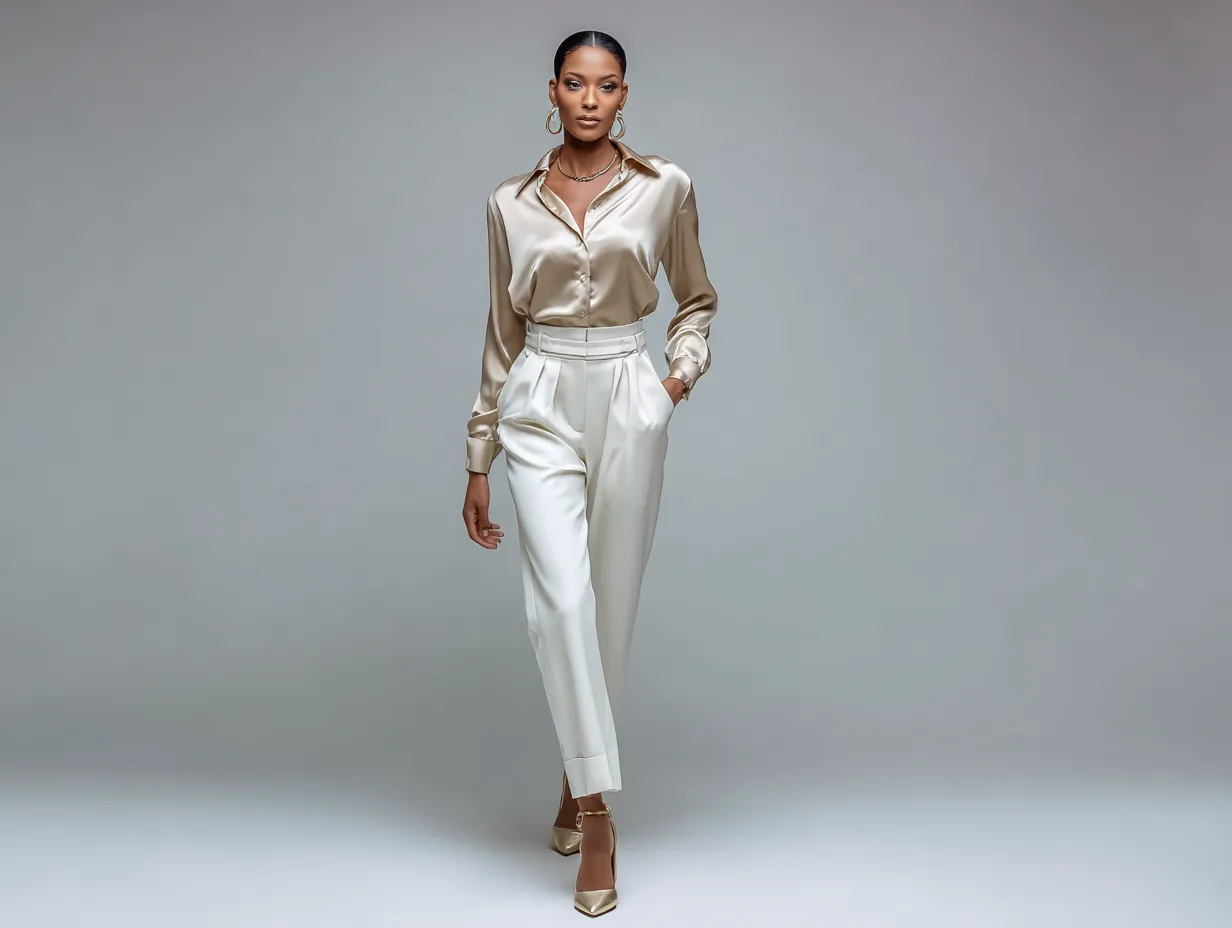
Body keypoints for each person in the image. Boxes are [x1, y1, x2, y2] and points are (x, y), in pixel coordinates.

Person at [460, 29, 718, 918]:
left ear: (624, 96)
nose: (590, 100)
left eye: (606, 86)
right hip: (537, 393)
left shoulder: (664, 187)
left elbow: (696, 297)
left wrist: (673, 381)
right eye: (575, 84)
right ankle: (600, 817)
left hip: (624, 387)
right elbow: (500, 331)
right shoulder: (509, 202)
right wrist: (479, 453)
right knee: (561, 600)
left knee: (610, 604)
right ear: (553, 91)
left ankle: (576, 780)